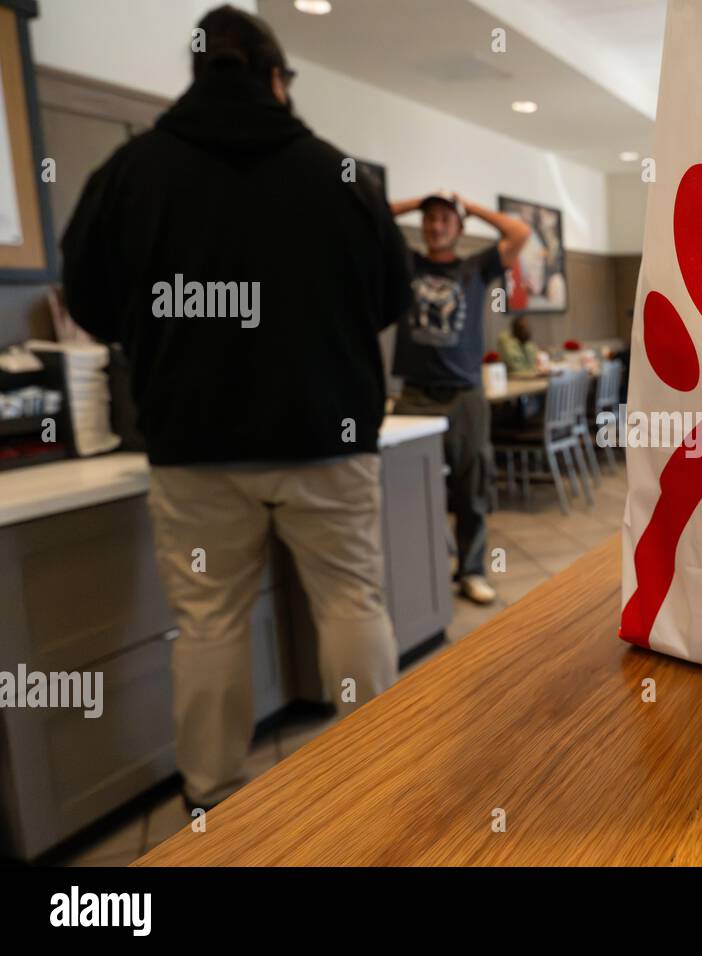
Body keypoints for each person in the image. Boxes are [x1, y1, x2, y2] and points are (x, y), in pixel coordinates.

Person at [60, 6, 413, 810]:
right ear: (276, 78)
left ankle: (212, 798)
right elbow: (389, 297)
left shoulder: (130, 171)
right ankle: (382, 773)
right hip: (329, 434)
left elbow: (91, 299)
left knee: (211, 622)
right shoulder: (341, 173)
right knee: (352, 602)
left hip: (195, 444)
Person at [389, 191, 531, 605]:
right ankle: (423, 574)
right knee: (411, 491)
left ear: (459, 228)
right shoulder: (406, 262)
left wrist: (467, 205)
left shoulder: (475, 267)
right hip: (414, 395)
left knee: (473, 487)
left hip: (466, 394)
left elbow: (519, 232)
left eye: (445, 220)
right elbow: (371, 216)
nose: (436, 226)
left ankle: (471, 570)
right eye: (430, 219)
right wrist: (416, 203)